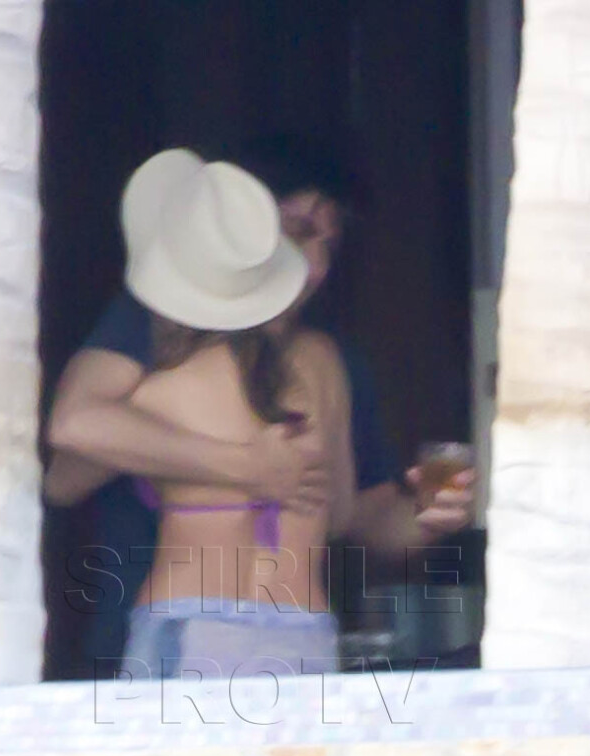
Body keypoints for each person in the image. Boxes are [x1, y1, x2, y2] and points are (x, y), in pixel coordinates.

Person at [45, 138, 474, 676]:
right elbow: (73, 442)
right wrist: (248, 466)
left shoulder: (173, 382)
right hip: (291, 623)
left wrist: (425, 515)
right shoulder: (166, 335)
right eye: (299, 231)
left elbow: (346, 512)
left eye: (328, 242)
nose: (317, 264)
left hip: (207, 618)